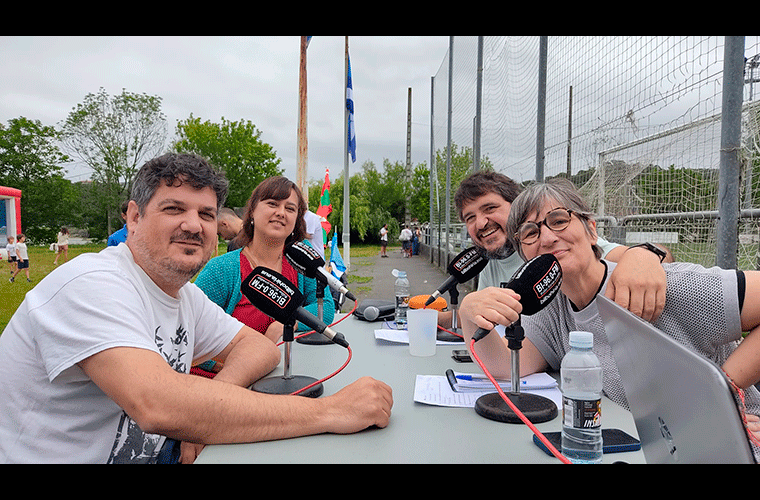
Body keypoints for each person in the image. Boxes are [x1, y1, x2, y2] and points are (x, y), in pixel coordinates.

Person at [0, 153, 392, 464]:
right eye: (174, 209)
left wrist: (206, 410)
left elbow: (258, 348)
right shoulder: (91, 283)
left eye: (206, 214)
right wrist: (330, 412)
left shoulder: (183, 295)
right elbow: (158, 404)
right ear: (134, 217)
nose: (194, 225)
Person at [458, 178, 760, 456]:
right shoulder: (554, 307)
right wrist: (469, 312)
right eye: (530, 233)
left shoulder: (658, 284)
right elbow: (506, 366)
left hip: (725, 448)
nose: (547, 238)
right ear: (524, 255)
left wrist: (722, 392)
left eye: (559, 221)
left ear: (592, 231)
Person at [437, 170, 673, 329]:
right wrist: (439, 318)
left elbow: (658, 257)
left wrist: (642, 256)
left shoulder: (558, 247)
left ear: (517, 208)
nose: (480, 223)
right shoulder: (492, 262)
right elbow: (489, 318)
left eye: (490, 208)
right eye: (470, 218)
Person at [195, 176, 335, 346]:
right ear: (252, 211)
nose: (281, 213)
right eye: (272, 204)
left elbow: (325, 308)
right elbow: (192, 329)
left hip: (290, 360)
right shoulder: (221, 269)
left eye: (290, 208)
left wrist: (286, 324)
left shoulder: (302, 259)